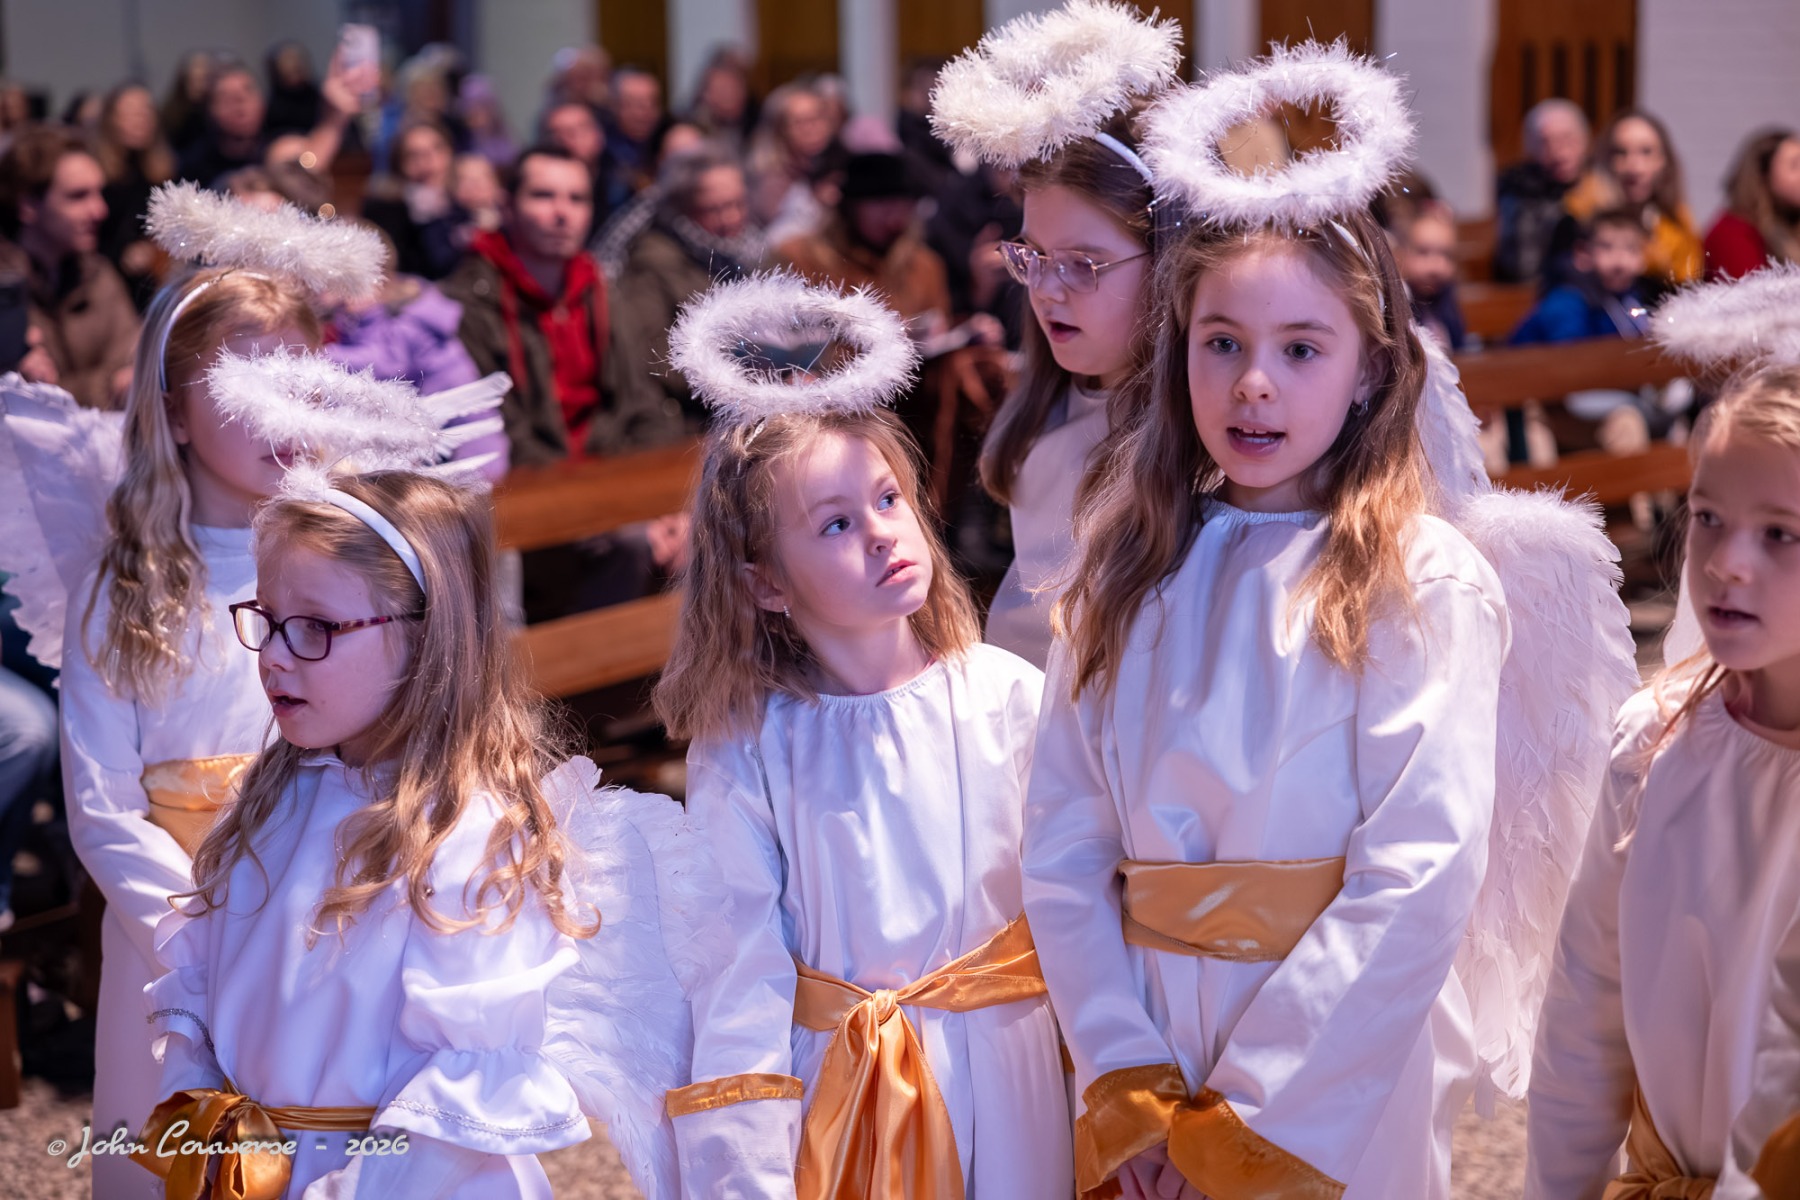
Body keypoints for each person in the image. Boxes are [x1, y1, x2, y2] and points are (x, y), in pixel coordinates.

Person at [1023, 44, 1634, 1200]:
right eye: (1222, 344)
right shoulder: (1125, 569)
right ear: (1178, 351)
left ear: (1367, 370)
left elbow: (1420, 865)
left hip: (1332, 1077)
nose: (1254, 383)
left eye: (1300, 349)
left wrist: (1244, 1123)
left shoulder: (1421, 581)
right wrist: (1127, 1080)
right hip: (1145, 1042)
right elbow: (1062, 839)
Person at [655, 273, 1073, 1197]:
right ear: (765, 581)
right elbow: (737, 956)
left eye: (888, 499)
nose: (883, 534)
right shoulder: (748, 745)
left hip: (1010, 1065)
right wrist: (744, 1164)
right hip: (839, 1084)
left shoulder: (1005, 695)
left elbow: (1072, 891)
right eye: (836, 523)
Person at [139, 469, 594, 1196]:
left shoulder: (467, 838)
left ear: (426, 636)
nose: (274, 655)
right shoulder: (269, 799)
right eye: (268, 619)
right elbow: (201, 990)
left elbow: (454, 1104)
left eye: (316, 628)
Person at [55, 266, 321, 1197]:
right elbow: (101, 806)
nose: (279, 408)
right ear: (172, 414)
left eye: (298, 378)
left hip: (317, 912)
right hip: (168, 928)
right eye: (244, 383)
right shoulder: (121, 592)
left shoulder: (337, 567)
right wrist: (190, 938)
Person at [1525, 362, 1800, 1197]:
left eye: (1781, 533)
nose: (1727, 564)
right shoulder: (1655, 740)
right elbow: (1585, 1018)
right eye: (1709, 517)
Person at [928, 0, 1179, 669]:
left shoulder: (1199, 442)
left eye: (1083, 264)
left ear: (1169, 262)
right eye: (1033, 255)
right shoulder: (1043, 409)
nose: (1044, 290)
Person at [444, 143, 682, 466]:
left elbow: (642, 401)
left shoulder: (601, 289)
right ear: (506, 206)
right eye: (543, 196)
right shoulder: (467, 302)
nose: (562, 213)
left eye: (577, 199)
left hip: (613, 469)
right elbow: (499, 431)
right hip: (528, 482)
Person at [610, 146, 762, 426]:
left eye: (738, 204)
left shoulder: (749, 252)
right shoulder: (652, 262)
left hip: (753, 403)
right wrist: (747, 382)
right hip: (695, 419)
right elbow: (656, 358)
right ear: (682, 209)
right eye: (714, 209)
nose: (730, 218)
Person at [0, 125, 139, 409]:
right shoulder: (6, 288)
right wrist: (109, 387)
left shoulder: (99, 274)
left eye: (99, 193)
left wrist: (53, 390)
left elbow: (133, 367)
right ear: (28, 205)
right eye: (78, 196)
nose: (100, 210)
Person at [1552, 108, 1702, 297]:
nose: (1634, 167)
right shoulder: (1578, 219)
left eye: (1646, 152)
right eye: (1620, 153)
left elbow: (1688, 287)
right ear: (1605, 159)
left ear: (1663, 161)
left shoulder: (1678, 225)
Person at [93, 81, 176, 309]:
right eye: (130, 112)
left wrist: (152, 251)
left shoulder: (163, 174)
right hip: (105, 286)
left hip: (152, 284)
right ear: (110, 120)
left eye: (146, 111)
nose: (141, 119)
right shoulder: (97, 175)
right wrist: (121, 254)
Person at [1494, 98, 1590, 284]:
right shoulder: (1519, 189)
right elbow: (1523, 266)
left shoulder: (1601, 184)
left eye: (1567, 139)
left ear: (1585, 140)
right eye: (1546, 142)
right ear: (1531, 148)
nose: (1559, 153)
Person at [360, 119, 470, 280]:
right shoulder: (385, 212)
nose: (427, 161)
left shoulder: (464, 205)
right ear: (399, 165)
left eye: (436, 149)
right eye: (413, 155)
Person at [1705, 127, 1800, 280]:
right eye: (1795, 165)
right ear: (1763, 175)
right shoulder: (1732, 233)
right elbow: (1750, 291)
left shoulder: (1789, 224)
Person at [1392, 197, 1469, 351]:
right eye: (1423, 252)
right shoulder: (1397, 305)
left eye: (1446, 255)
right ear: (1401, 254)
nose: (1436, 266)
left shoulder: (1446, 299)